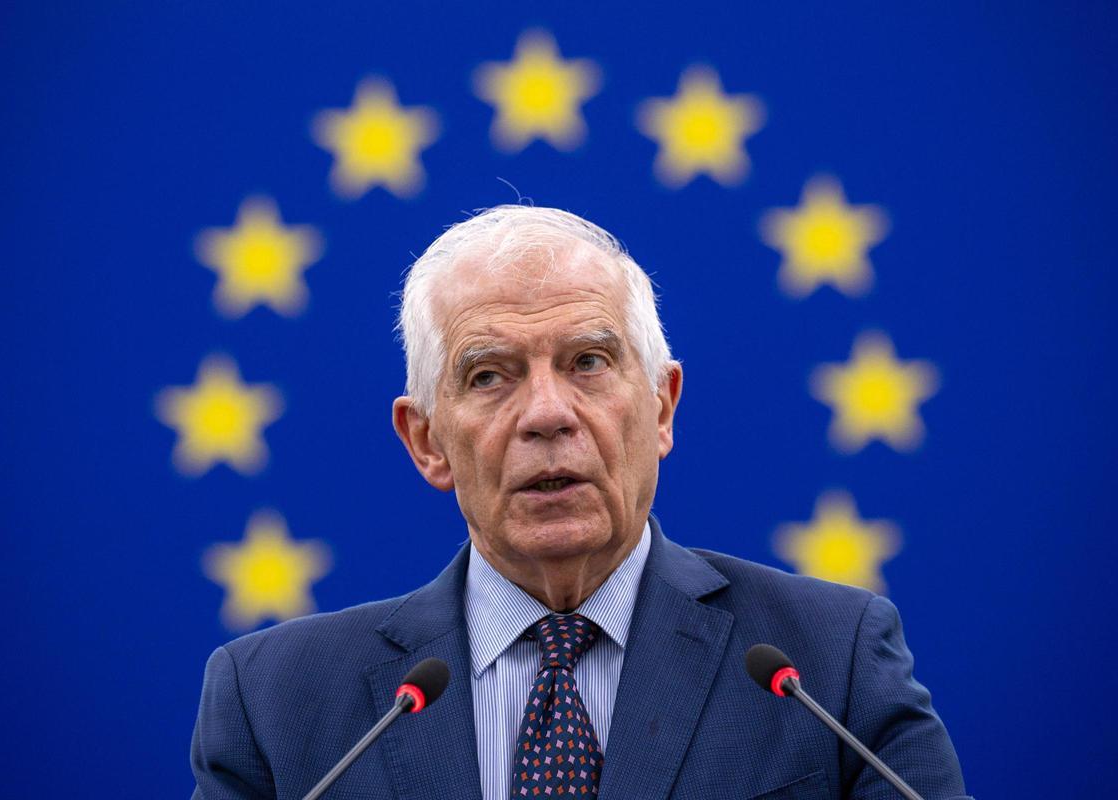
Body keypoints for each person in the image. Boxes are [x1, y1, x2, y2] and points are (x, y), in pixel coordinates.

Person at [190, 205, 971, 799]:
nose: (547, 413)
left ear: (662, 408)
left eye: (588, 362)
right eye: (489, 375)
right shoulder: (274, 703)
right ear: (426, 441)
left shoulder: (827, 667)